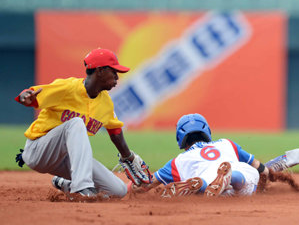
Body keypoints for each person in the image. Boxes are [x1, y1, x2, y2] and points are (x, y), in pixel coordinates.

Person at [15, 48, 150, 199]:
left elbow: (115, 131)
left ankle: (65, 183)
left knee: (118, 190)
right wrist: (25, 96)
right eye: (113, 72)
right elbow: (33, 95)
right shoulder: (68, 88)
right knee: (76, 123)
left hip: (65, 159)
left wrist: (128, 156)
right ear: (100, 71)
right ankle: (82, 188)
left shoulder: (106, 102)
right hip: (39, 150)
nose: (117, 78)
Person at [130, 113, 269, 197]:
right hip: (237, 183)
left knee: (207, 183)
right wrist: (265, 181)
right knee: (247, 175)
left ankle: (200, 184)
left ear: (180, 137)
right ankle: (231, 177)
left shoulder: (177, 162)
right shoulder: (226, 144)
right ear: (206, 131)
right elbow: (262, 169)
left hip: (211, 188)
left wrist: (126, 187)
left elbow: (144, 185)